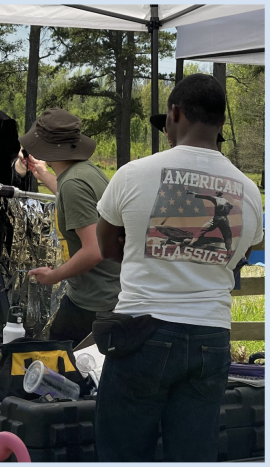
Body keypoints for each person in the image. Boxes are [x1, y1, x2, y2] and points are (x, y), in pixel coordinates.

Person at [95, 74, 263, 462]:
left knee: (121, 452)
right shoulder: (248, 191)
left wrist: (148, 253)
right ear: (221, 123)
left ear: (174, 113)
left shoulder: (133, 174)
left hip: (141, 331)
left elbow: (106, 245)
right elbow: (242, 255)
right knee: (193, 454)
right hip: (211, 335)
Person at [19, 108, 121, 344]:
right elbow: (73, 203)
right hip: (109, 294)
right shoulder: (86, 172)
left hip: (94, 302)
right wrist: (42, 172)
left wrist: (54, 276)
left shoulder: (73, 183)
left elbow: (94, 249)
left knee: (65, 361)